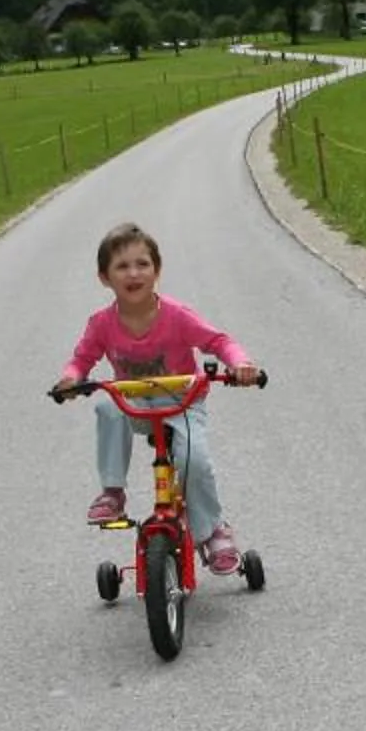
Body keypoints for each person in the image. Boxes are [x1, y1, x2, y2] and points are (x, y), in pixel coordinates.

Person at [48, 221, 264, 573]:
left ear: (157, 270)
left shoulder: (177, 316)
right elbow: (81, 359)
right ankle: (113, 492)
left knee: (193, 460)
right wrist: (71, 379)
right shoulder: (102, 324)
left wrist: (241, 364)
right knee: (106, 403)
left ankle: (212, 531)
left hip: (182, 402)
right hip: (134, 403)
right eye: (122, 266)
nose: (133, 273)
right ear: (104, 277)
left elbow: (219, 342)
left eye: (142, 264)